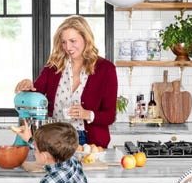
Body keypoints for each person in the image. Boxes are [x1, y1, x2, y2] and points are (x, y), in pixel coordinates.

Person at [14, 15, 117, 148]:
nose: (68, 47)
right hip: (55, 137)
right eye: (64, 42)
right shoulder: (54, 66)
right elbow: (35, 94)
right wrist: (27, 85)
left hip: (89, 142)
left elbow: (109, 116)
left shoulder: (106, 69)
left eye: (73, 41)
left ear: (86, 38)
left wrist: (87, 114)